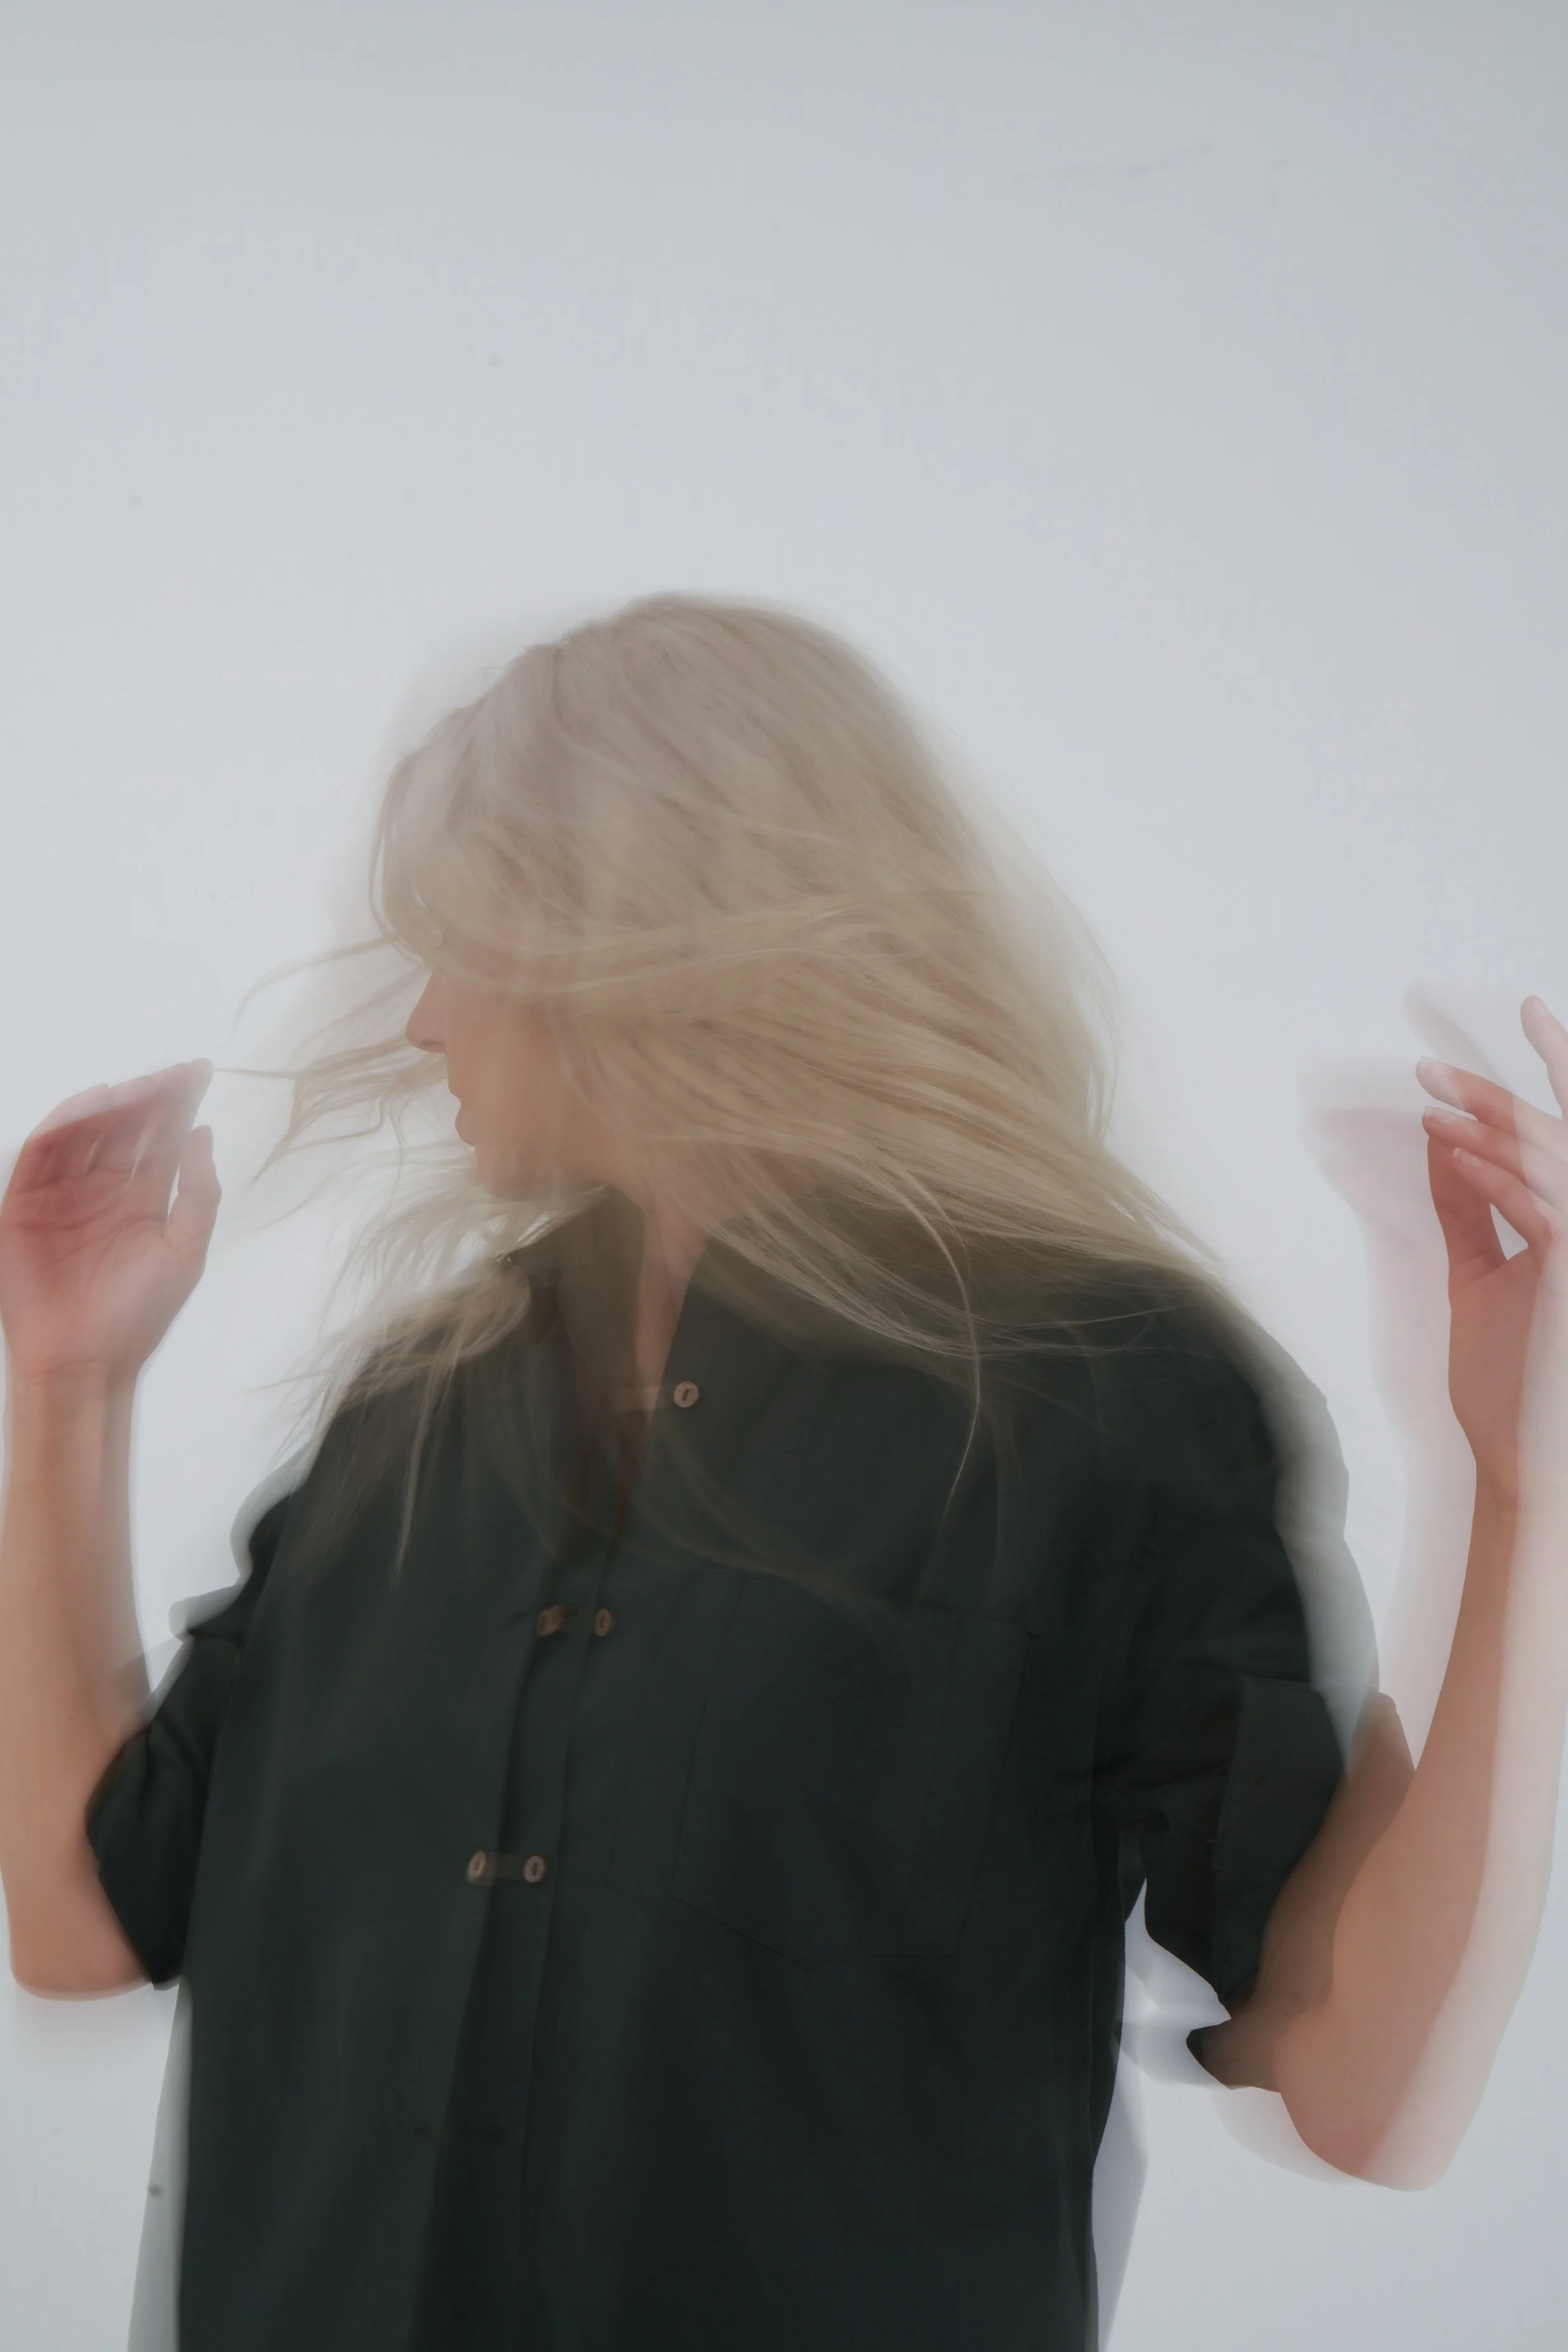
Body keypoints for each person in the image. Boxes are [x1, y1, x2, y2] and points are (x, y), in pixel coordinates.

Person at [0, 592, 1565, 2352]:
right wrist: (66, 1380)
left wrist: (1523, 1489)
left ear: (635, 939)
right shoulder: (419, 1422)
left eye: (468, 946)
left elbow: (1373, 2090)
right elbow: (80, 1914)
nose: (429, 1019)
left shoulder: (1095, 1409)